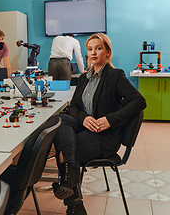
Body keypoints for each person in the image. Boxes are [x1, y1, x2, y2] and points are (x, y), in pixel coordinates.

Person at [51, 33, 146, 215]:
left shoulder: (115, 76)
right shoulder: (84, 77)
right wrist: (84, 119)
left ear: (108, 53)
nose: (93, 53)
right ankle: (71, 186)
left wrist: (110, 120)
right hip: (86, 127)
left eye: (98, 48)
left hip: (104, 136)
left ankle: (74, 202)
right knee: (59, 120)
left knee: (66, 149)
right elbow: (74, 107)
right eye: (90, 49)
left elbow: (139, 101)